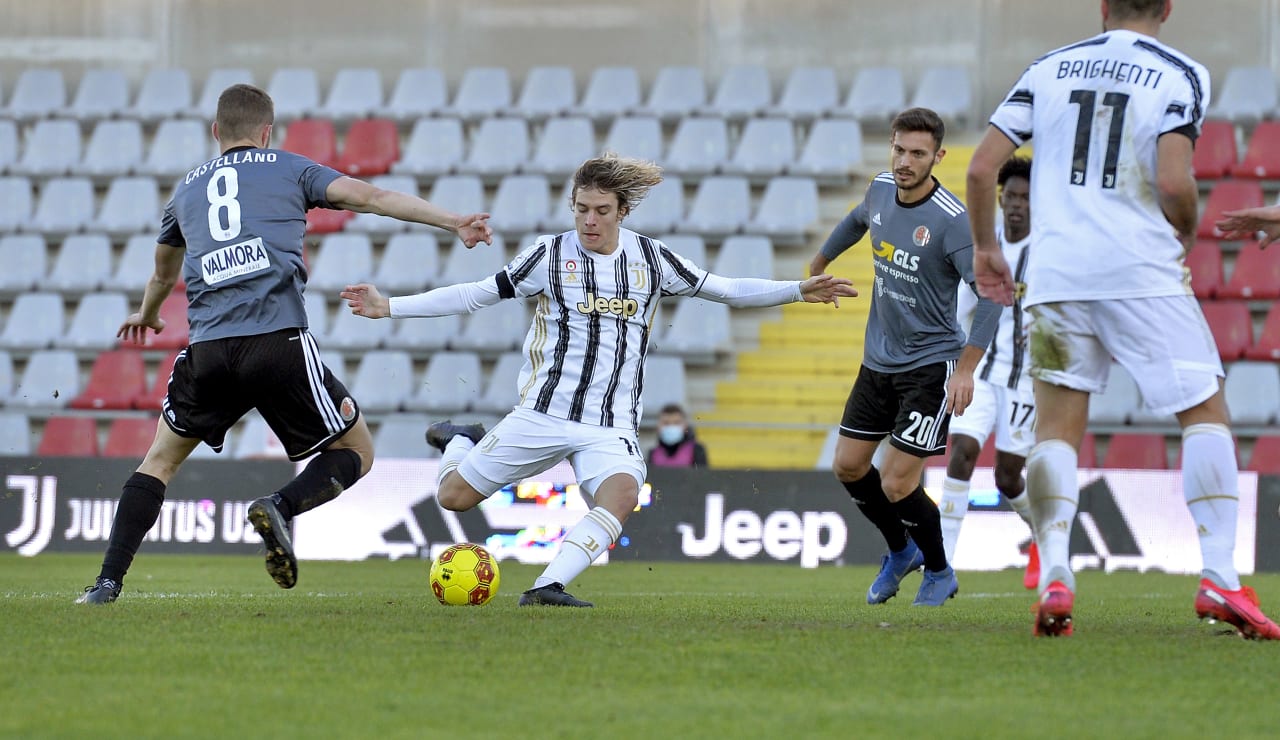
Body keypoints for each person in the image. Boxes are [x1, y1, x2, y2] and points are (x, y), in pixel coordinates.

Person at [341, 152, 857, 607]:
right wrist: (390, 307)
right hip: (542, 412)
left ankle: (547, 586)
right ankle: (459, 442)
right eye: (581, 209)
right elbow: (476, 294)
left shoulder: (651, 258)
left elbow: (724, 289)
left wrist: (796, 289)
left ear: (622, 212)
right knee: (452, 498)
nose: (590, 220)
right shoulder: (549, 255)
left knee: (623, 494)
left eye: (601, 211)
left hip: (609, 424)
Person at [76, 84, 493, 604]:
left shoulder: (185, 191)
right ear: (266, 132)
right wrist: (453, 220)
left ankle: (107, 584)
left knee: (158, 460)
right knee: (356, 451)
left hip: (208, 352)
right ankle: (279, 506)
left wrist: (148, 315)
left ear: (216, 132)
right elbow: (372, 198)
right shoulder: (290, 168)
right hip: (276, 343)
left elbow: (163, 272)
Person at [968, 0, 1279, 639]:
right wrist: (1186, 236)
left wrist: (986, 248)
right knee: (1204, 412)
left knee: (1055, 430)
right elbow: (1173, 183)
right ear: (1167, 8)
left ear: (1102, 7)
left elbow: (978, 168)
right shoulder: (1180, 71)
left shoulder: (1047, 66)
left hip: (1055, 276)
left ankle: (1056, 572)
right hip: (1141, 272)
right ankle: (1219, 576)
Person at [810, 107, 1002, 608]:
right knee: (849, 467)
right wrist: (818, 265)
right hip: (878, 361)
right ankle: (900, 550)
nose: (905, 161)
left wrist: (965, 369)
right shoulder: (878, 189)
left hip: (930, 365)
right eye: (899, 150)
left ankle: (939, 571)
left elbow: (993, 295)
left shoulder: (952, 222)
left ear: (937, 157)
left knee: (897, 482)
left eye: (918, 153)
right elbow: (856, 221)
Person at [940, 156, 1039, 589]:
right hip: (979, 370)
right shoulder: (984, 245)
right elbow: (963, 306)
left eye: (1025, 198)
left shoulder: (1049, 252)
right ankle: (940, 565)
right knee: (961, 454)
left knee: (1008, 476)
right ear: (1000, 199)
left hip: (1024, 379)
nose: (1016, 205)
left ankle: (1043, 537)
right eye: (1010, 196)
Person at [648, 403, 709, 468]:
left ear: (685, 426)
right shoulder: (653, 453)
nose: (671, 427)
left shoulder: (697, 450)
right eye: (666, 423)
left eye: (676, 423)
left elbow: (702, 476)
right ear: (658, 427)